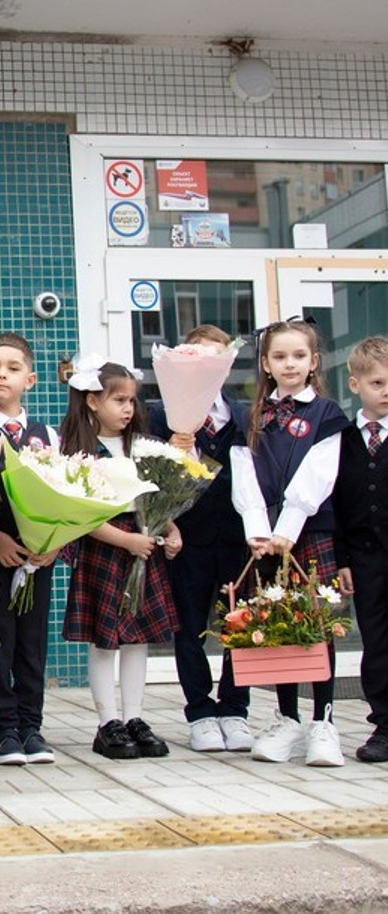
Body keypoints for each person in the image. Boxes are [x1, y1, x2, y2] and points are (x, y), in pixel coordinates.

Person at [232, 319, 349, 766]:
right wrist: (258, 531)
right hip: (265, 538)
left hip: (309, 531)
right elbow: (244, 474)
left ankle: (323, 722)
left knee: (317, 624)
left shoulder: (327, 414)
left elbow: (320, 474)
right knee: (274, 623)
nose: (290, 364)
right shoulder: (251, 417)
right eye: (279, 356)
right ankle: (287, 719)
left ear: (314, 361)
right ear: (265, 363)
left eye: (299, 356)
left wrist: (288, 528)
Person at [60, 357, 181, 762]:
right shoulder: (78, 450)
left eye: (132, 400)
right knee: (105, 638)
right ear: (92, 401)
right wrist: (125, 540)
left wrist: (171, 530)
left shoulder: (142, 447)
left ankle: (134, 717)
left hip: (143, 542)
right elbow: (80, 514)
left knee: (137, 637)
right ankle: (107, 721)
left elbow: (156, 496)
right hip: (107, 545)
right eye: (119, 400)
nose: (128, 409)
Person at [146, 325, 253, 754]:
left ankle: (235, 708)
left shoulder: (244, 414)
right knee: (188, 627)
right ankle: (200, 712)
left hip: (237, 539)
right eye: (198, 357)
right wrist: (173, 450)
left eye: (216, 358)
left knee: (240, 625)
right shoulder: (162, 415)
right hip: (187, 540)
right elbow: (149, 475)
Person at [0, 332, 60, 768]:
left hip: (37, 558)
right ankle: (4, 729)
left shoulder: (48, 435)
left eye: (12, 368)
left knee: (32, 644)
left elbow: (64, 493)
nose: (2, 375)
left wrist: (53, 543)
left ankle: (31, 726)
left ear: (31, 378)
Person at [334, 336, 388, 764]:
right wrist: (343, 561)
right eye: (377, 383)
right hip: (366, 559)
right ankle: (384, 724)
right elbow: (334, 505)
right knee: (377, 641)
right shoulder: (343, 441)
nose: (386, 391)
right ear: (355, 385)